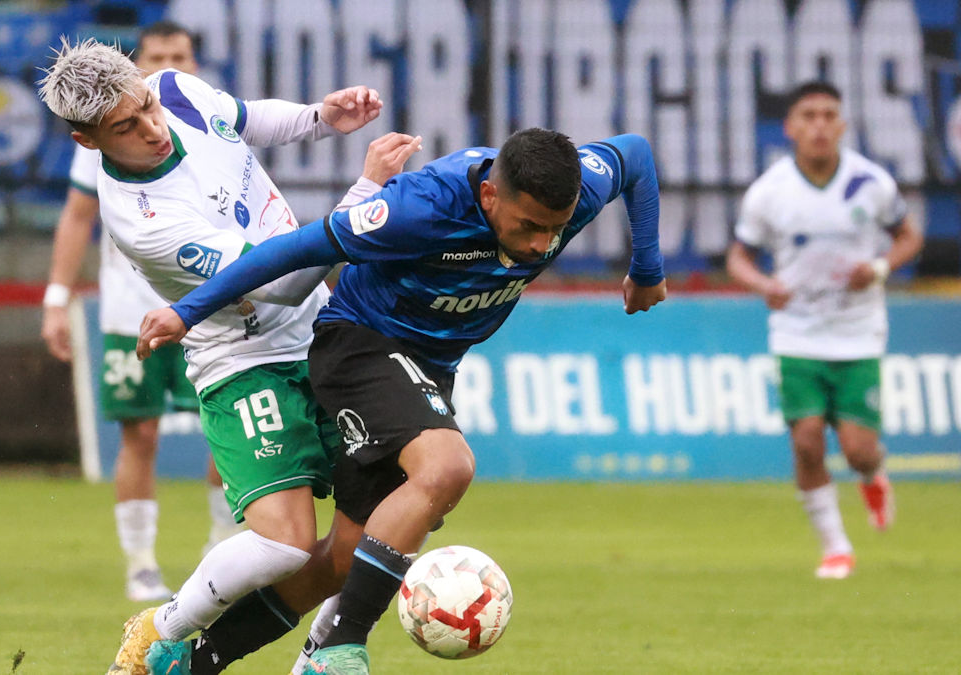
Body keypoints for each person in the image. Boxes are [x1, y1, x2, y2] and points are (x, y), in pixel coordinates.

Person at [137, 126, 668, 674]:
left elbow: (636, 152)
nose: (540, 245)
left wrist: (646, 265)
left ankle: (193, 662)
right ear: (490, 196)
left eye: (554, 231)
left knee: (343, 560)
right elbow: (296, 249)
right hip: (360, 345)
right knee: (447, 467)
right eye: (529, 226)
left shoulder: (580, 186)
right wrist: (187, 310)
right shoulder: (420, 208)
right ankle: (340, 647)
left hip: (430, 370)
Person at [36, 38, 414, 675]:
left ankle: (324, 655)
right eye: (127, 127)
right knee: (288, 544)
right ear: (88, 141)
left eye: (148, 106)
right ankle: (163, 625)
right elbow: (283, 281)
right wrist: (365, 192)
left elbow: (240, 118)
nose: (154, 128)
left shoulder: (176, 89)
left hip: (324, 333)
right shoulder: (143, 219)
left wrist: (319, 118)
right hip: (246, 359)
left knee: (390, 512)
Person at [40, 21, 241, 603]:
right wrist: (57, 297)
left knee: (225, 428)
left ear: (192, 62)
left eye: (179, 55)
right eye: (157, 55)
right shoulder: (111, 128)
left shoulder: (207, 121)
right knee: (140, 434)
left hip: (211, 309)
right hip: (132, 310)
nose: (168, 62)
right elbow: (78, 216)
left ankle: (220, 548)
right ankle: (140, 563)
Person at [727, 81, 922, 580]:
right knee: (808, 441)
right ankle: (836, 546)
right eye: (808, 115)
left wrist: (878, 269)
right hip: (797, 332)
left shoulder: (870, 182)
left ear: (842, 125)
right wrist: (762, 283)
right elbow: (739, 256)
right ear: (790, 126)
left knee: (858, 449)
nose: (818, 125)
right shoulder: (770, 192)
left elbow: (909, 235)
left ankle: (873, 476)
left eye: (828, 115)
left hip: (858, 331)